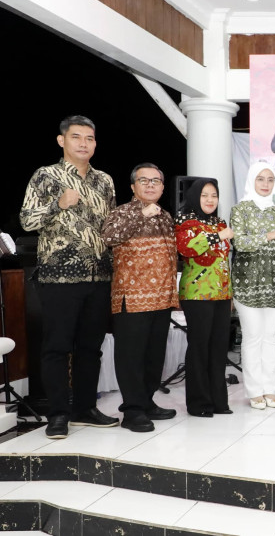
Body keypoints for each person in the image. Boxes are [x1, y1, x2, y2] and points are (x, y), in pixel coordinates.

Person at [20, 115, 119, 439]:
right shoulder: (46, 176)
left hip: (98, 276)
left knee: (91, 347)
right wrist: (58, 204)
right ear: (62, 140)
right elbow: (27, 220)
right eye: (76, 137)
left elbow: (110, 227)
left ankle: (85, 409)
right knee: (57, 347)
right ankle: (58, 414)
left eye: (89, 138)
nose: (83, 143)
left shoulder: (104, 180)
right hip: (59, 277)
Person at [101, 163, 179, 433]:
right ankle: (132, 410)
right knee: (131, 357)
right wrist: (140, 215)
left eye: (156, 181)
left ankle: (146, 401)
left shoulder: (165, 216)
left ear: (163, 187)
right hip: (131, 298)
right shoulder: (122, 212)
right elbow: (109, 237)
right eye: (144, 180)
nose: (150, 185)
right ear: (133, 186)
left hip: (162, 298)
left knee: (154, 356)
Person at [231, 162, 275, 410]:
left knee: (271, 339)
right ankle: (254, 391)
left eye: (270, 180)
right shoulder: (240, 209)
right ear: (251, 180)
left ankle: (270, 389)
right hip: (247, 282)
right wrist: (270, 235)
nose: (266, 184)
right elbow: (240, 243)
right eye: (260, 179)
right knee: (252, 337)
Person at [175, 178, 233, 418]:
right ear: (194, 197)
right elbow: (186, 248)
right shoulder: (185, 221)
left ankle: (218, 401)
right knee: (199, 348)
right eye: (204, 195)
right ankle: (199, 403)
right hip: (197, 294)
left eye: (214, 195)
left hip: (222, 293)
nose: (210, 200)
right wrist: (217, 236)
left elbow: (223, 260)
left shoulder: (219, 222)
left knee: (219, 348)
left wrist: (229, 292)